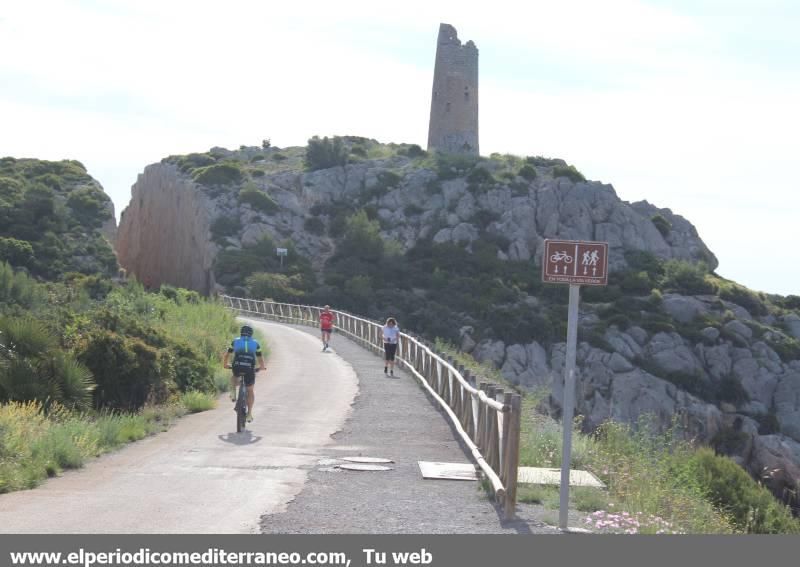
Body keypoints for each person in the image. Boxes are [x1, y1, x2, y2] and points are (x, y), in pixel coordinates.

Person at [222, 324, 265, 423]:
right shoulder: (256, 343)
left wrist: (225, 365)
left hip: (237, 365)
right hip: (249, 368)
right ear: (251, 334)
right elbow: (260, 359)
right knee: (250, 390)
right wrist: (262, 367)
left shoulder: (235, 341)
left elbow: (227, 355)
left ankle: (233, 393)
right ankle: (249, 414)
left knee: (234, 377)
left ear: (241, 333)